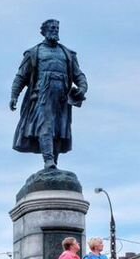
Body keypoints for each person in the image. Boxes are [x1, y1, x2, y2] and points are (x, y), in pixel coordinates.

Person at [10, 19, 88, 170]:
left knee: (60, 129)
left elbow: (79, 75)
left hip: (62, 96)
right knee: (46, 126)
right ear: (44, 31)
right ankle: (48, 160)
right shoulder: (35, 52)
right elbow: (21, 76)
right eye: (52, 28)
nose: (55, 30)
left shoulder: (67, 53)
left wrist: (83, 87)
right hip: (43, 95)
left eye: (57, 28)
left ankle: (54, 164)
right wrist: (14, 95)